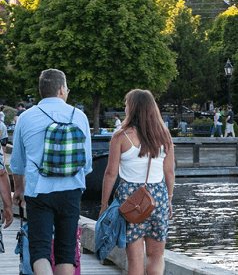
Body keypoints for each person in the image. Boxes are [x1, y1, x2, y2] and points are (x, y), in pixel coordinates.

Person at [11, 69, 92, 275]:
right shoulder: (79, 116)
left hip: (39, 193)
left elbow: (18, 163)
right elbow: (87, 164)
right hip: (71, 190)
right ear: (61, 89)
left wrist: (19, 190)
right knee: (66, 251)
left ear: (41, 91)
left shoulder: (25, 118)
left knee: (40, 250)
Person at [100, 89, 175, 275]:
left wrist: (103, 204)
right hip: (158, 198)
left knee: (135, 259)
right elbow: (169, 172)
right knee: (156, 256)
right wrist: (169, 199)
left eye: (126, 104)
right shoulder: (164, 135)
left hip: (131, 201)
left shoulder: (121, 136)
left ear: (132, 108)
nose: (125, 108)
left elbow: (110, 173)